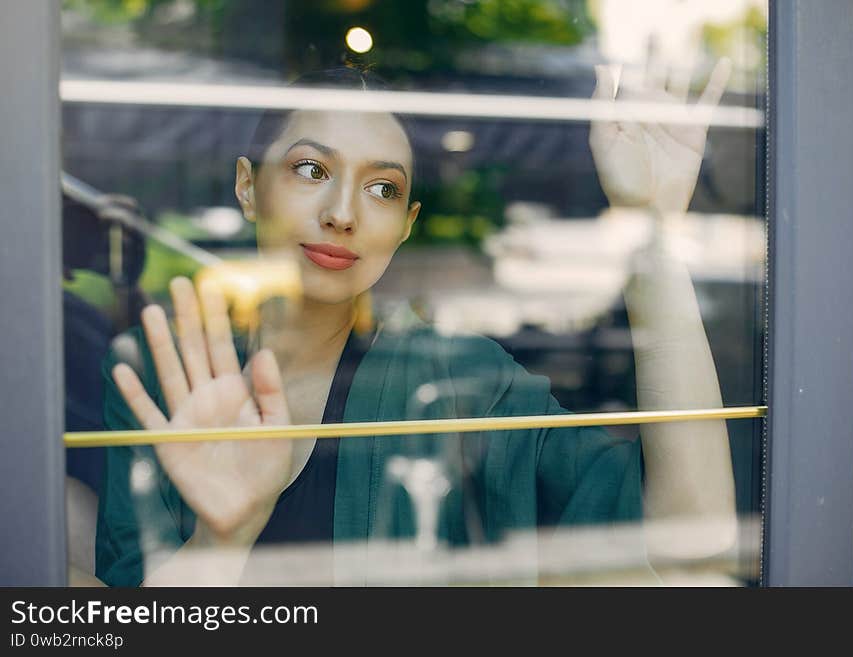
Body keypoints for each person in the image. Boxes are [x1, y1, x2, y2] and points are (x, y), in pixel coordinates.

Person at [96, 63, 736, 586]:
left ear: (406, 223)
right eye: (311, 170)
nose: (343, 212)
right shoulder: (157, 379)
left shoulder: (465, 387)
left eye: (383, 189)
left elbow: (689, 545)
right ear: (247, 185)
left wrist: (652, 225)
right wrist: (219, 541)